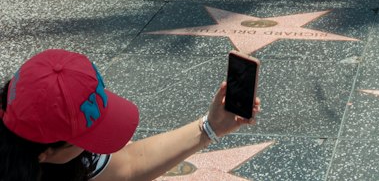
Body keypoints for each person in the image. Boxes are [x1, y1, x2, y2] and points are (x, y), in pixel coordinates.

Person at [1, 48, 258, 181]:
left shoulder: (36, 150)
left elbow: (130, 165)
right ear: (44, 153)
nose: (94, 150)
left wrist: (210, 127)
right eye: (87, 140)